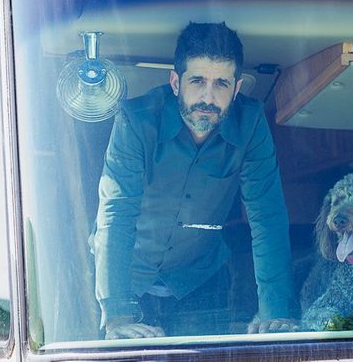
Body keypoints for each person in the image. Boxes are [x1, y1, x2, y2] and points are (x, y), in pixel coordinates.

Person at [92, 22, 294, 339]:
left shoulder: (252, 123)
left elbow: (266, 217)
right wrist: (116, 316)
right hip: (124, 278)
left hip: (199, 279)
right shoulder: (136, 120)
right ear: (176, 82)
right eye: (197, 81)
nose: (208, 97)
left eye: (221, 84)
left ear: (237, 89)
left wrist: (276, 312)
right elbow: (117, 212)